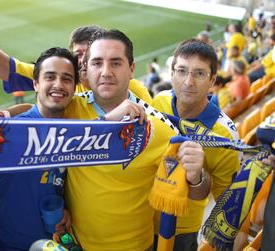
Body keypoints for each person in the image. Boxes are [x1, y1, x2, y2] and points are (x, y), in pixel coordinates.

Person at [60, 29, 208, 250]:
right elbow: (32, 124)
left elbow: (198, 192)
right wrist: (7, 114)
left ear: (131, 69)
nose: (106, 72)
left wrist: (197, 176)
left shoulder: (160, 127)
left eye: (116, 63)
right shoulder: (67, 109)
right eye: (97, 63)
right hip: (75, 243)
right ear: (86, 70)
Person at [0, 47, 79, 250]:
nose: (58, 84)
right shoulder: (9, 129)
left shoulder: (74, 132)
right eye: (50, 77)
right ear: (36, 84)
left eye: (67, 79)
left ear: (74, 88)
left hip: (50, 245)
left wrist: (64, 208)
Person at [152, 38, 240, 250]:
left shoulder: (225, 135)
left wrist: (198, 177)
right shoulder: (159, 102)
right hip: (139, 216)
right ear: (171, 74)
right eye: (181, 71)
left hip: (181, 232)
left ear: (212, 80)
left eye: (199, 73)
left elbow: (225, 202)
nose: (188, 81)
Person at [0, 12, 153, 103]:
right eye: (78, 54)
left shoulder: (133, 90)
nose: (83, 60)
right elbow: (9, 69)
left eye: (90, 54)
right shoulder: (63, 81)